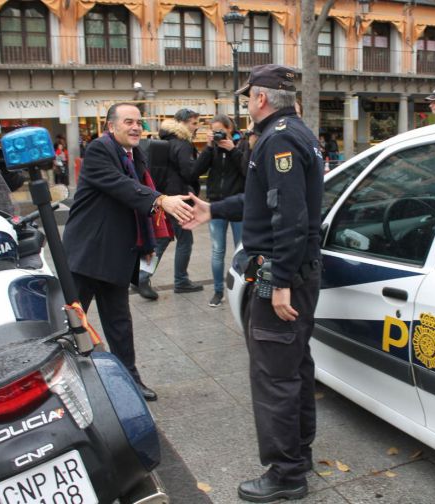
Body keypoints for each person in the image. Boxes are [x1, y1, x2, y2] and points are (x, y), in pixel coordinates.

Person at [184, 64, 324, 502]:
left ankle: (286, 475)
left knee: (273, 377)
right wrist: (215, 209)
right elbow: (266, 200)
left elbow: (289, 216)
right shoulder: (298, 133)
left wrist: (279, 281)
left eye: (247, 99)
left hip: (279, 275)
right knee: (295, 367)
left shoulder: (278, 138)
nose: (246, 105)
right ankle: (298, 456)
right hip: (296, 271)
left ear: (261, 99)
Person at [62, 102, 195, 402]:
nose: (136, 127)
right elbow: (119, 186)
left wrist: (146, 244)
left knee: (120, 323)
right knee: (71, 323)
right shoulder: (99, 149)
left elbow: (134, 199)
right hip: (86, 253)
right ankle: (62, 383)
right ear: (111, 126)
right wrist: (161, 200)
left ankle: (130, 381)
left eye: (138, 122)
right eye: (128, 122)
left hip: (118, 252)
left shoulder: (136, 154)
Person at [137, 108, 204, 299]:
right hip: (177, 198)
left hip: (162, 196)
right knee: (184, 240)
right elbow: (189, 172)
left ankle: (142, 276)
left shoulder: (165, 139)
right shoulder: (182, 144)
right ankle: (180, 281)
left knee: (162, 238)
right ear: (182, 123)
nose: (196, 127)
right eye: (193, 123)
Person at [190, 114, 245, 307]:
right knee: (217, 250)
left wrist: (234, 151)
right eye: (214, 131)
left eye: (220, 130)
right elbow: (194, 171)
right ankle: (218, 291)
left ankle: (243, 289)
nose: (217, 134)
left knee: (242, 250)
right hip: (216, 205)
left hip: (238, 205)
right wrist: (208, 148)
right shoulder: (212, 148)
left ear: (230, 129)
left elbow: (249, 171)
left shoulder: (243, 144)